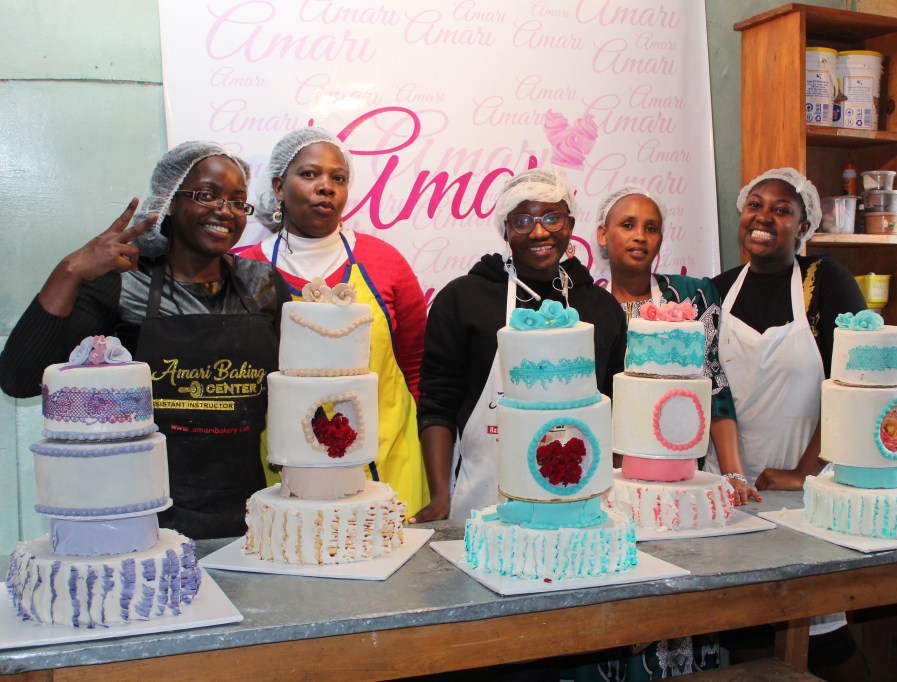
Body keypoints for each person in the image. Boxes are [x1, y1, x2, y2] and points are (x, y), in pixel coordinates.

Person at [0, 142, 291, 539]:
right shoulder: (124, 284)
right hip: (142, 520)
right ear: (169, 201)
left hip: (248, 517)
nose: (225, 210)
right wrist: (70, 271)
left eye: (238, 201)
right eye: (207, 195)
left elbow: (297, 390)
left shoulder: (263, 285)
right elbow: (18, 379)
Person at [709, 168, 868, 677]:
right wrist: (729, 476)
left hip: (805, 492)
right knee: (748, 642)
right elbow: (709, 391)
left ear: (803, 226)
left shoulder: (826, 281)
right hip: (729, 493)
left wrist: (804, 471)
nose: (763, 218)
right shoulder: (717, 291)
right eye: (755, 205)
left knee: (823, 640)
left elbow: (855, 383)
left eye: (782, 210)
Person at [410, 167, 627, 523]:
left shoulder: (602, 309)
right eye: (522, 221)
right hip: (482, 499)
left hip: (584, 503)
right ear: (505, 230)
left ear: (570, 225)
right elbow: (438, 403)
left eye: (552, 218)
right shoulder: (462, 299)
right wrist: (439, 498)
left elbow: (616, 410)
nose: (539, 232)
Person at [237, 127, 429, 513]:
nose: (326, 186)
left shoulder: (385, 262)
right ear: (278, 186)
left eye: (338, 178)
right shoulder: (243, 269)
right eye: (309, 174)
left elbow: (415, 368)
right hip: (286, 476)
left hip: (391, 469)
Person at [596, 184, 760, 506]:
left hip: (680, 472)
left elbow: (714, 385)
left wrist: (733, 473)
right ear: (603, 234)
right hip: (610, 480)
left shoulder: (692, 296)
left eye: (651, 228)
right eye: (628, 225)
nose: (640, 236)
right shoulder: (588, 308)